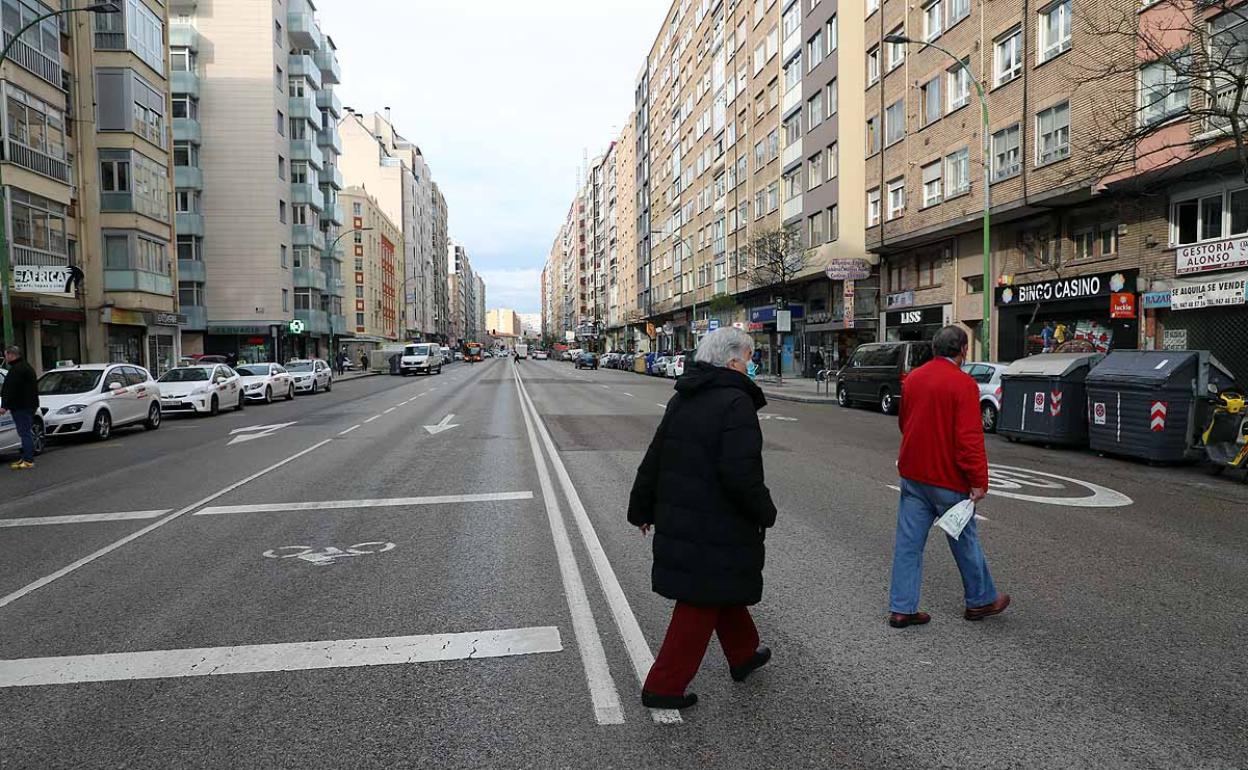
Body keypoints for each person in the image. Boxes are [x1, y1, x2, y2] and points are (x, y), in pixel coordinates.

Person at [628, 327, 777, 710]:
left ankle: (743, 654)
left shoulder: (686, 396)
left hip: (687, 514)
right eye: (748, 358)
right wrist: (765, 510)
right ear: (731, 362)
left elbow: (656, 454)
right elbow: (742, 473)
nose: (751, 365)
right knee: (699, 601)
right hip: (715, 520)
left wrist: (642, 507)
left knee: (718, 586)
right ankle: (663, 686)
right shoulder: (735, 402)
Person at [888, 325, 1009, 629]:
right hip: (948, 479)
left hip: (914, 474)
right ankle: (980, 600)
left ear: (934, 348)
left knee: (908, 543)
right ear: (963, 350)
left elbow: (905, 421)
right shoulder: (963, 384)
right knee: (964, 539)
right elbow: (969, 440)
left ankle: (902, 608)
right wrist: (979, 481)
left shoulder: (913, 378)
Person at [0, 346, 40, 470]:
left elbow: (10, 389)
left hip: (21, 406)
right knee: (25, 432)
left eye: (6, 355)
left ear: (12, 355)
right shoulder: (26, 367)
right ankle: (25, 457)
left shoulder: (16, 370)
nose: (5, 358)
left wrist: (4, 406)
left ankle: (28, 460)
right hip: (29, 405)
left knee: (24, 433)